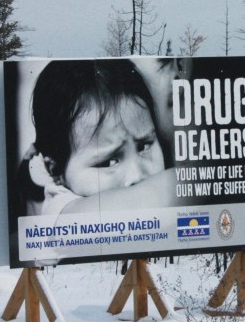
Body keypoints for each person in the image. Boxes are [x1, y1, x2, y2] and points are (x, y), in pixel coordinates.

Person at [19, 59, 175, 216]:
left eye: (144, 146)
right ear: (55, 170)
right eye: (109, 162)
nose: (137, 176)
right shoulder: (61, 209)